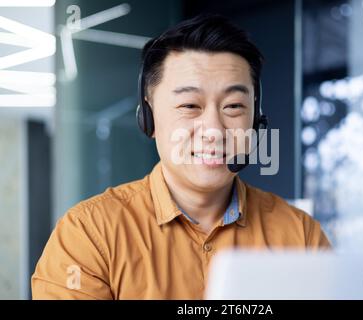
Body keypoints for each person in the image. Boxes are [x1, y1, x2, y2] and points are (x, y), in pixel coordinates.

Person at [32, 14, 330, 300]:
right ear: (147, 118)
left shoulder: (300, 236)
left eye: (234, 106)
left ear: (255, 121)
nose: (214, 130)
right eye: (189, 105)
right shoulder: (88, 235)